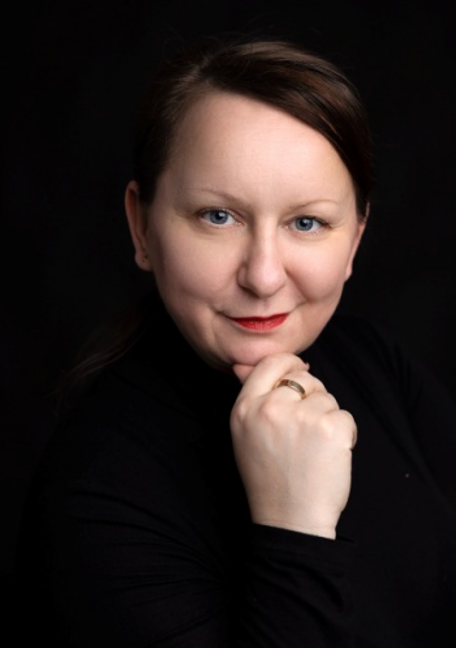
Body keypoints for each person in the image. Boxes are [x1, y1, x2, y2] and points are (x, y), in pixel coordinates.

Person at [13, 34, 456, 647]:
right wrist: (295, 523)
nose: (263, 276)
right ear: (141, 226)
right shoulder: (95, 498)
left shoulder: (375, 363)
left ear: (354, 239)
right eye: (218, 217)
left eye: (307, 222)